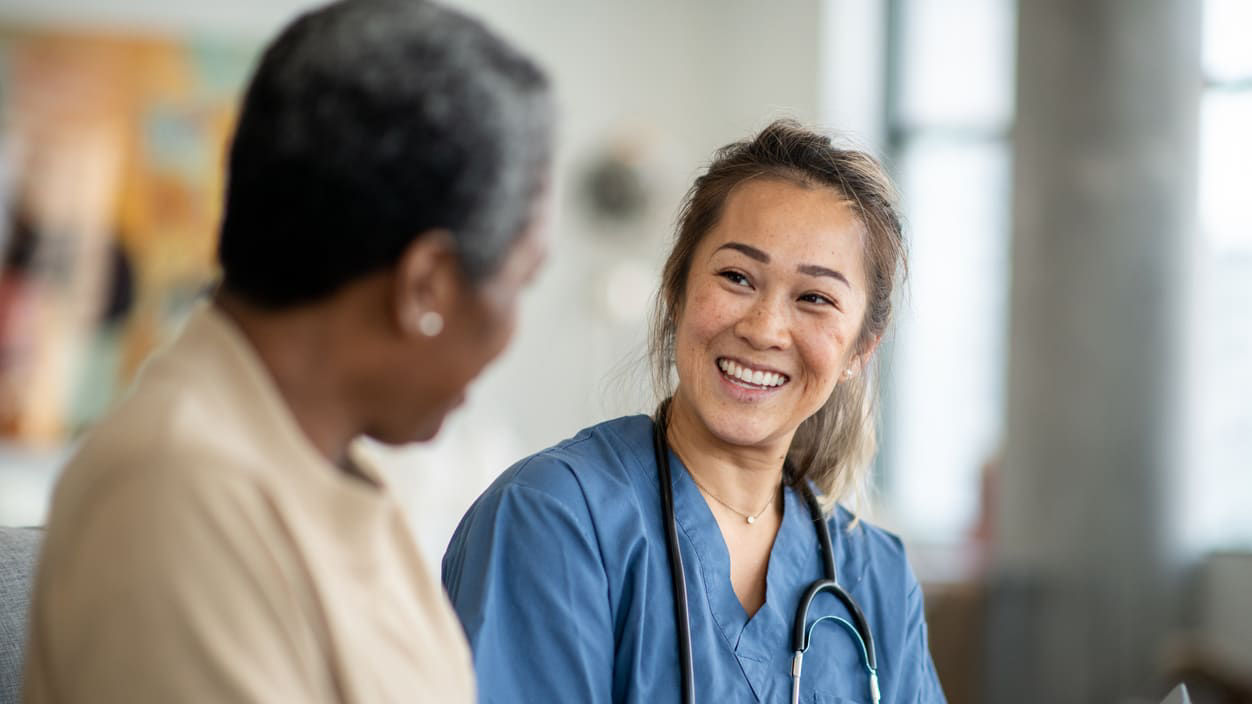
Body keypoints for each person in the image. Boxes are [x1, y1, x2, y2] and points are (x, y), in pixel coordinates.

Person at [23, 1, 553, 701]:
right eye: (519, 282)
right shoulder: (177, 492)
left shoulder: (339, 469)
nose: (511, 333)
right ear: (426, 285)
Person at [443, 120, 946, 703]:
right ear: (676, 290)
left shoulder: (876, 580)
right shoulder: (554, 519)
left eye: (815, 298)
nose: (763, 329)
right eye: (736, 277)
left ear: (863, 346)